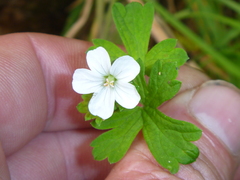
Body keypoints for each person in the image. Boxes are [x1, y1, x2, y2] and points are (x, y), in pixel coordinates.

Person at [0, 33, 239, 180]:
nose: (108, 82)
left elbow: (130, 86)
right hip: (120, 93)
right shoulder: (110, 87)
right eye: (107, 81)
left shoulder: (123, 74)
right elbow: (128, 98)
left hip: (126, 84)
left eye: (110, 80)